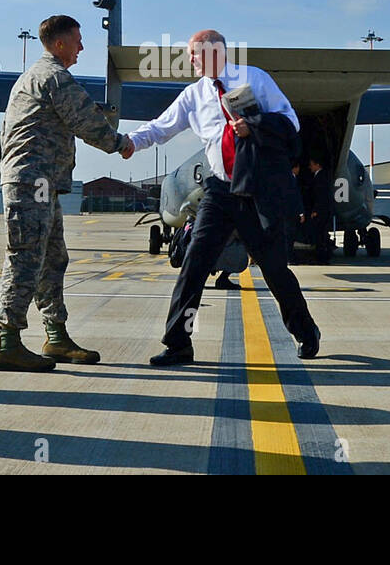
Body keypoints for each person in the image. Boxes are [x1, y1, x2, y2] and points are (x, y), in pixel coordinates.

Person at [124, 30, 321, 365]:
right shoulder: (194, 95)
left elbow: (291, 123)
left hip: (256, 189)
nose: (189, 61)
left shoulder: (254, 78)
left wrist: (253, 124)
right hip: (219, 190)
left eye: (194, 54)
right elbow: (161, 127)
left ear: (214, 52)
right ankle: (178, 343)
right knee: (194, 264)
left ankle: (306, 332)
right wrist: (128, 142)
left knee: (273, 268)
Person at [0, 15, 132, 371]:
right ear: (59, 44)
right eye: (78, 40)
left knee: (52, 258)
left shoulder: (36, 77)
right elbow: (86, 121)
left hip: (42, 183)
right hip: (31, 181)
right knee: (26, 258)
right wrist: (120, 144)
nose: (82, 47)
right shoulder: (53, 77)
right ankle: (7, 342)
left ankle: (56, 338)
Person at [301, 157, 335, 262]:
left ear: (318, 165)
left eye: (311, 164)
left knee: (320, 235)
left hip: (320, 212)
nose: (309, 167)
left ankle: (322, 257)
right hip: (322, 211)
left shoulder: (321, 177)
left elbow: (321, 196)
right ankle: (321, 256)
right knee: (320, 235)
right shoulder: (321, 176)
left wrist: (316, 210)